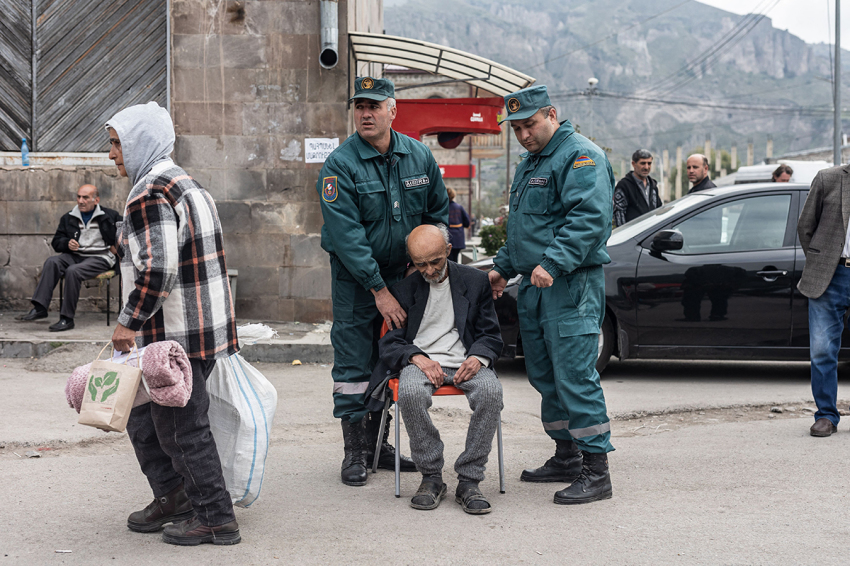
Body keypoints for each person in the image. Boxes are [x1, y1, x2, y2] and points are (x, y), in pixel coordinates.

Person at [106, 102, 241, 546]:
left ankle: (215, 517)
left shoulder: (149, 192)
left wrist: (127, 322)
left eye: (116, 143)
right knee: (141, 413)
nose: (112, 154)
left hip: (173, 332)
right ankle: (174, 495)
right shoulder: (182, 181)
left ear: (139, 142)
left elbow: (158, 269)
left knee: (181, 426)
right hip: (194, 327)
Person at [317, 76, 449, 487]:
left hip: (406, 278)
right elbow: (347, 236)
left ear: (393, 110)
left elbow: (438, 213)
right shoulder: (340, 164)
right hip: (359, 285)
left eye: (374, 106)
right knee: (355, 362)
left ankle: (380, 444)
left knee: (391, 359)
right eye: (359, 106)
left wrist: (423, 263)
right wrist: (378, 289)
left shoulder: (419, 157)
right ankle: (355, 452)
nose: (365, 113)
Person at [488, 85, 615, 505]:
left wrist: (554, 263)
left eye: (529, 124)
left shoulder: (581, 155)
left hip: (569, 284)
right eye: (516, 128)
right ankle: (566, 454)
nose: (523, 134)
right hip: (535, 286)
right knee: (545, 375)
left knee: (575, 375)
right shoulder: (532, 164)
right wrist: (502, 267)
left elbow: (590, 218)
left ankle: (597, 471)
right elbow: (524, 228)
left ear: (551, 114)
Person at [377, 224, 503, 514]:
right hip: (421, 363)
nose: (430, 270)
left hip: (465, 361)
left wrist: (478, 357)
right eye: (420, 264)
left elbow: (491, 335)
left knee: (490, 391)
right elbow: (390, 342)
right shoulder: (405, 288)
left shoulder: (476, 281)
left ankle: (469, 480)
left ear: (448, 250)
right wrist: (417, 357)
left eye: (435, 261)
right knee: (408, 392)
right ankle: (431, 476)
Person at [15, 184, 121, 331]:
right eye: (78, 197)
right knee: (52, 262)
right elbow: (56, 242)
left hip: (100, 257)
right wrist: (67, 243)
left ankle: (67, 319)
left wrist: (117, 246)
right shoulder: (69, 217)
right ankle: (40, 308)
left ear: (96, 200)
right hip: (76, 256)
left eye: (85, 197)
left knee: (73, 271)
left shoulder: (110, 216)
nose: (81, 201)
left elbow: (124, 234)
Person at [797, 164, 850, 437]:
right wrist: (823, 262)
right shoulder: (828, 179)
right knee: (822, 350)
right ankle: (827, 415)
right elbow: (806, 226)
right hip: (832, 275)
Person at [613, 149, 662, 227]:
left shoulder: (653, 186)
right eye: (642, 163)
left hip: (651, 235)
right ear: (633, 164)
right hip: (633, 236)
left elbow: (659, 212)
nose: (646, 167)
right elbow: (619, 217)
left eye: (649, 163)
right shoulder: (624, 186)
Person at [447, 187, 471, 262]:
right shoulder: (459, 207)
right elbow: (467, 222)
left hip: (446, 237)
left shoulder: (442, 208)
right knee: (455, 259)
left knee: (448, 260)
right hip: (458, 237)